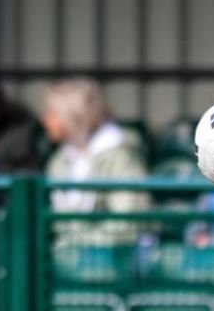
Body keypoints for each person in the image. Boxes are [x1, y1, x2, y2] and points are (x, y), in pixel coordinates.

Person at [42, 77, 150, 249]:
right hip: (68, 263)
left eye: (52, 113)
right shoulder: (60, 160)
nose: (45, 120)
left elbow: (127, 223)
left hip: (111, 264)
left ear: (73, 114)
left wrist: (77, 247)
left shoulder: (120, 157)